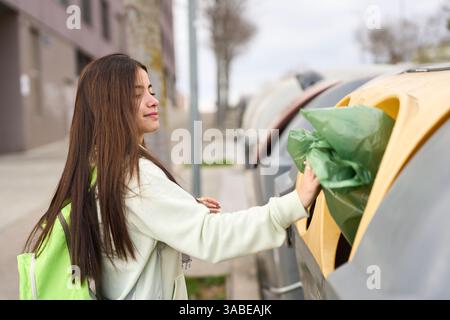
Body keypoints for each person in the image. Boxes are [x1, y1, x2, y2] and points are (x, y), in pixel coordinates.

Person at [24, 54, 321, 300]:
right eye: (137, 95)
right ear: (109, 107)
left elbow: (129, 239)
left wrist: (181, 210)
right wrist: (295, 203)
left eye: (151, 90)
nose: (153, 101)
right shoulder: (136, 177)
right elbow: (213, 238)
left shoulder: (98, 170)